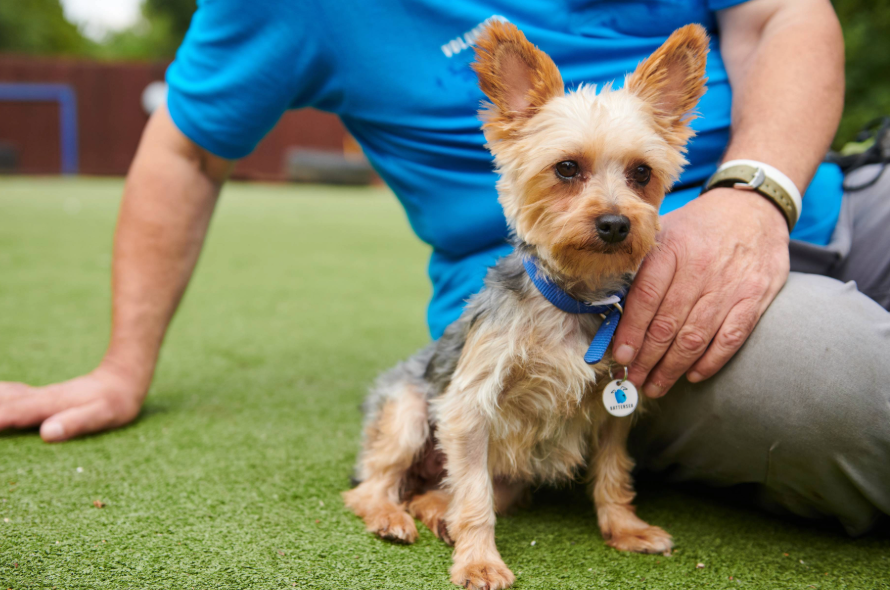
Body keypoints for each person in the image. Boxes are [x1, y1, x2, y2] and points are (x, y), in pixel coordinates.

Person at [1, 0, 888, 534]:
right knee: (859, 392)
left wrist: (755, 190)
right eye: (572, 170)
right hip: (601, 316)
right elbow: (187, 150)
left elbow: (780, 13)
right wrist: (123, 367)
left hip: (819, 181)